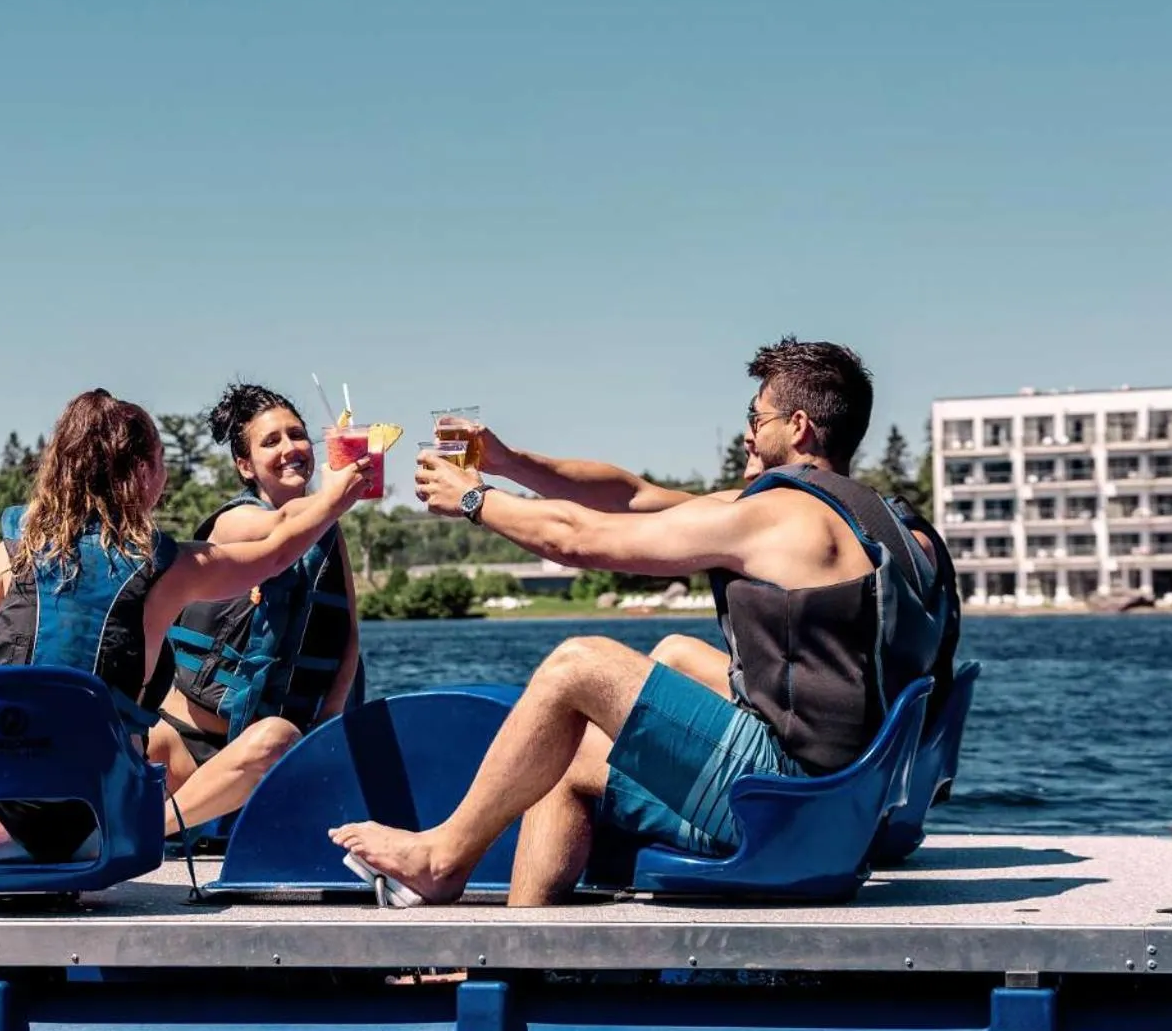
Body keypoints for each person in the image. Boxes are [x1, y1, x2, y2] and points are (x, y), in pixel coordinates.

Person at [330, 337, 955, 906]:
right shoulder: (887, 524)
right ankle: (525, 952)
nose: (746, 433)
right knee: (581, 739)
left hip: (791, 805)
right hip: (852, 804)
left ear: (798, 426)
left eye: (755, 418)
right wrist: (509, 462)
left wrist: (474, 499)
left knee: (579, 664)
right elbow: (634, 496)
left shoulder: (779, 518)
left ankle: (442, 857)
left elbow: (581, 540)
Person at [0, 388, 369, 862]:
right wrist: (336, 498)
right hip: (83, 833)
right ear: (143, 472)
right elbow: (279, 552)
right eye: (161, 459)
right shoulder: (163, 569)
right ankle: (155, 829)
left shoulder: (5, 555)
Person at [149, 383, 363, 834]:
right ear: (245, 466)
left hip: (265, 756)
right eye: (271, 441)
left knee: (278, 738)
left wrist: (326, 736)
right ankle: (153, 829)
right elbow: (283, 530)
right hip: (183, 748)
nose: (291, 448)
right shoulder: (236, 522)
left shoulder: (328, 532)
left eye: (298, 435)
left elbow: (349, 640)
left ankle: (160, 826)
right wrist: (334, 498)